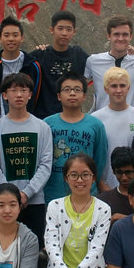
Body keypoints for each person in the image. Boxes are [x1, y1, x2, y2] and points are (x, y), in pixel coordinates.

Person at [0, 72, 53, 251]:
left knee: (34, 250)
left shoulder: (42, 127)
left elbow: (46, 165)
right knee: (4, 250)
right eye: (13, 90)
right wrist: (9, 195)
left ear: (30, 94)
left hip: (34, 200)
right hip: (3, 203)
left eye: (23, 90)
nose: (18, 95)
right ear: (4, 95)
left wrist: (26, 193)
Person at [43, 73, 109, 202]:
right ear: (58, 96)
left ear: (84, 96)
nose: (72, 93)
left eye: (77, 90)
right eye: (67, 90)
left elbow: (100, 161)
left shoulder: (96, 125)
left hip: (86, 194)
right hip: (53, 194)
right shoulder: (47, 124)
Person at [91, 67, 134, 190]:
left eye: (122, 86)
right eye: (113, 86)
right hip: (105, 187)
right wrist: (101, 184)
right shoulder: (95, 118)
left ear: (128, 88)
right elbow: (94, 156)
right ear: (106, 89)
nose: (118, 90)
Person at [29, 10, 89, 119]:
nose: (64, 33)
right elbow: (16, 64)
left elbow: (102, 65)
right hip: (43, 118)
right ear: (52, 30)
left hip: (72, 118)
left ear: (74, 32)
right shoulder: (40, 55)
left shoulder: (78, 55)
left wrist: (128, 54)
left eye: (69, 29)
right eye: (60, 29)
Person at [0, 16, 42, 119]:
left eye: (15, 35)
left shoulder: (32, 66)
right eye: (6, 35)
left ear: (22, 38)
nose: (11, 39)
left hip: (25, 122)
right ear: (0, 38)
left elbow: (35, 96)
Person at [84, 15, 134, 111]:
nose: (121, 38)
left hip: (131, 120)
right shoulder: (93, 61)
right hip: (102, 120)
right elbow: (78, 85)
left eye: (125, 35)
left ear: (131, 36)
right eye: (116, 34)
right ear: (108, 36)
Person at [98, 147, 134, 221]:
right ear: (113, 171)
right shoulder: (103, 200)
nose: (124, 178)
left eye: (128, 172)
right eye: (119, 172)